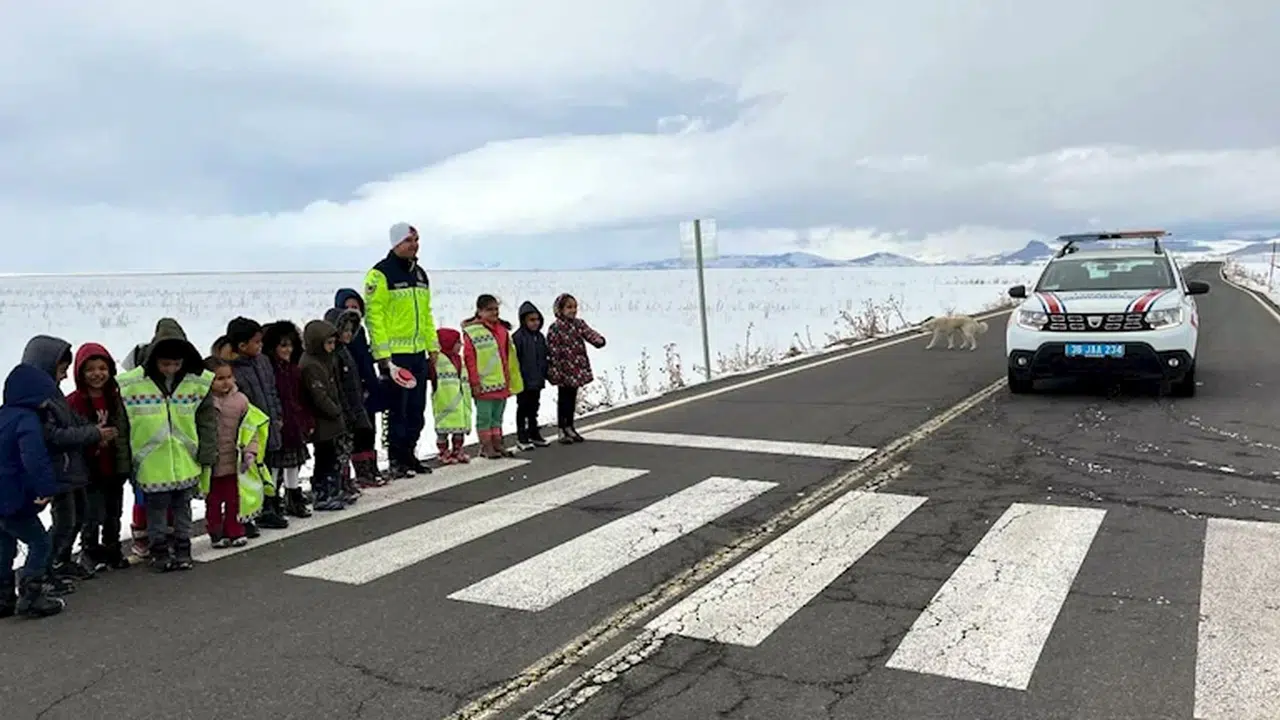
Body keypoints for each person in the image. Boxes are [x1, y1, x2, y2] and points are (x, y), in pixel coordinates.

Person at [116, 318, 216, 572]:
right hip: (151, 464)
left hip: (186, 460)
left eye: (176, 363)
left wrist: (207, 452)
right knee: (156, 512)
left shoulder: (197, 383)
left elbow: (206, 421)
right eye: (165, 364)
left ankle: (183, 548)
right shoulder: (132, 386)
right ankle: (159, 550)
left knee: (183, 508)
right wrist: (124, 462)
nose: (171, 369)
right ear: (154, 360)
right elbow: (123, 427)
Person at [21, 336, 111, 585]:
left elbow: (71, 420)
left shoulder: (54, 393)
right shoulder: (37, 399)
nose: (64, 376)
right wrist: (93, 434)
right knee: (64, 522)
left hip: (72, 468)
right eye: (61, 370)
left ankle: (62, 560)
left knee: (79, 516)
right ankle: (45, 568)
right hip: (57, 470)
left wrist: (94, 428)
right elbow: (53, 435)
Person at [363, 222, 439, 478]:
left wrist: (433, 347)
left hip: (418, 353)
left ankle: (409, 453)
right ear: (396, 243)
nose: (414, 245)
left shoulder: (420, 275)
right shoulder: (380, 274)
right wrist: (383, 356)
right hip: (395, 357)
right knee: (398, 411)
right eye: (408, 240)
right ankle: (397, 458)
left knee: (417, 410)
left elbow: (426, 315)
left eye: (416, 240)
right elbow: (374, 317)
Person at [0, 362, 67, 618]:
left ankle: (3, 597)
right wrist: (46, 488)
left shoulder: (3, 416)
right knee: (39, 542)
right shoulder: (27, 420)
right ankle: (31, 595)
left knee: (4, 544)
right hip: (15, 496)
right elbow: (34, 457)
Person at [66, 343, 133, 573]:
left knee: (114, 512)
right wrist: (94, 439)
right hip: (89, 469)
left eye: (102, 368)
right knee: (91, 514)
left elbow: (125, 429)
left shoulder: (115, 398)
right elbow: (70, 435)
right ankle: (90, 551)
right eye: (90, 370)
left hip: (113, 465)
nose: (97, 374)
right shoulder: (73, 402)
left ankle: (112, 548)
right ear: (80, 373)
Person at [225, 316, 289, 532]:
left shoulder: (263, 362)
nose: (260, 346)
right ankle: (248, 514)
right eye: (256, 342)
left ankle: (269, 506)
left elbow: (272, 390)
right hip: (248, 430)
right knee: (249, 473)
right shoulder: (233, 369)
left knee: (270, 467)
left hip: (268, 424)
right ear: (242, 345)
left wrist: (277, 414)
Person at [199, 357, 268, 549]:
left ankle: (235, 530)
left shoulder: (241, 401)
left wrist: (250, 451)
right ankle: (215, 532)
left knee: (234, 500)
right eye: (219, 379)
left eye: (229, 377)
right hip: (211, 464)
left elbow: (251, 428)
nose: (226, 382)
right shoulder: (201, 401)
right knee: (213, 502)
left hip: (234, 462)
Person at [333, 289, 388, 485]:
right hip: (350, 392)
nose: (352, 310)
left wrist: (374, 385)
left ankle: (370, 467)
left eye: (355, 307)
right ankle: (359, 472)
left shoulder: (360, 332)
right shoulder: (339, 342)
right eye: (347, 307)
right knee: (355, 434)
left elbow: (365, 362)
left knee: (369, 429)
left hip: (365, 387)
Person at [324, 307, 379, 493]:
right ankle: (340, 482)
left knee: (348, 446)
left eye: (350, 330)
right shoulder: (334, 356)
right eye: (344, 330)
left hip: (352, 406)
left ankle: (348, 481)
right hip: (341, 408)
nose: (348, 334)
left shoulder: (345, 352)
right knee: (340, 449)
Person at [461, 294, 523, 459]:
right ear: (479, 311)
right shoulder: (472, 332)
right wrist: (474, 382)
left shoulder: (502, 330)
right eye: (490, 310)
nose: (494, 312)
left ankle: (497, 443)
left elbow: (507, 357)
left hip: (501, 381)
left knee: (497, 417)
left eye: (496, 309)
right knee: (484, 418)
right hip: (483, 384)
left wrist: (510, 378)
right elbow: (470, 359)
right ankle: (486, 446)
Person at [262, 321, 313, 518]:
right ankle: (271, 500)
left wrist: (306, 420)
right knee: (275, 465)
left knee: (292, 464)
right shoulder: (271, 371)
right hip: (279, 424)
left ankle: (293, 496)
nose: (288, 350)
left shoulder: (293, 370)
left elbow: (301, 398)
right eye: (283, 345)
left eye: (290, 345)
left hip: (294, 423)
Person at [299, 320, 348, 511]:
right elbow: (318, 395)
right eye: (328, 343)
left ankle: (332, 490)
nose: (332, 347)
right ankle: (322, 492)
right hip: (322, 420)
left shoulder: (326, 359)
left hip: (330, 420)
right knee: (325, 458)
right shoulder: (311, 365)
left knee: (332, 457)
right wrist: (335, 410)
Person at [546, 293, 606, 444]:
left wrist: (599, 341)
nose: (573, 310)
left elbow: (589, 333)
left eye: (575, 307)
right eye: (569, 307)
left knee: (572, 398)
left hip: (576, 367)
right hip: (563, 369)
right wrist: (554, 370)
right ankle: (562, 429)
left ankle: (570, 426)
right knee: (563, 398)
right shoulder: (555, 328)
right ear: (560, 310)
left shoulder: (578, 324)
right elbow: (552, 351)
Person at [511, 301, 550, 450]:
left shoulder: (540, 337)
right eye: (531, 320)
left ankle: (534, 433)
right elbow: (514, 360)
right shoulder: (518, 337)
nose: (535, 323)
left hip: (537, 379)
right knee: (523, 408)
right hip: (523, 380)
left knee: (534, 408)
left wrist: (545, 373)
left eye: (537, 319)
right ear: (524, 321)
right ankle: (522, 436)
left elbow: (544, 357)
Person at [431, 328, 472, 464]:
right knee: (442, 432)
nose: (460, 345)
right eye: (457, 342)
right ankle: (443, 452)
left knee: (459, 430)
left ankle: (457, 450)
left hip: (460, 402)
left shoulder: (459, 360)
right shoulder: (437, 360)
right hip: (444, 403)